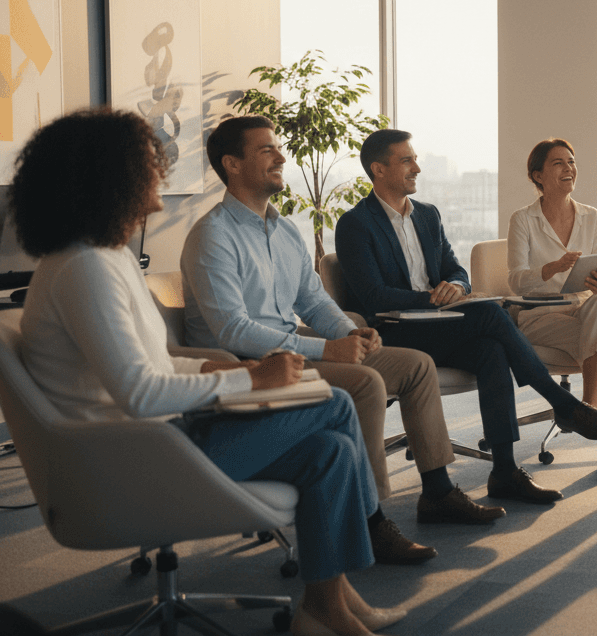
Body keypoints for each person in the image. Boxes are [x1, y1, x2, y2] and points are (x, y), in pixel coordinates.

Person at [15, 109, 404, 636]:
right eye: (151, 166)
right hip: (128, 458)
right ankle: (337, 590)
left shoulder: (105, 257)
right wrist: (250, 379)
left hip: (157, 439)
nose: (161, 176)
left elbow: (151, 359)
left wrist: (219, 367)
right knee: (333, 405)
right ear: (113, 177)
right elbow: (139, 392)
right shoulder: (84, 269)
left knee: (329, 451)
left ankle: (325, 604)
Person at [180, 116, 471, 560]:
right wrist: (327, 348)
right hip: (250, 365)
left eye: (278, 148)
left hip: (294, 348)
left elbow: (313, 302)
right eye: (266, 151)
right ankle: (370, 517)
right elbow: (233, 329)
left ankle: (437, 491)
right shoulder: (212, 236)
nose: (281, 157)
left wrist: (352, 333)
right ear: (232, 165)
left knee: (415, 364)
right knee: (365, 383)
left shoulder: (283, 230)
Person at [334, 129, 597, 502]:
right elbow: (373, 297)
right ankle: (564, 405)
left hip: (438, 323)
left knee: (491, 349)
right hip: (396, 328)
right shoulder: (355, 224)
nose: (417, 168)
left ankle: (504, 471)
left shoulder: (427, 215)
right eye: (407, 160)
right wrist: (431, 299)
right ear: (378, 169)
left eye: (415, 159)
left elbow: (455, 270)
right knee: (490, 312)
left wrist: (455, 287)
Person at [506, 138, 597, 478]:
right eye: (558, 163)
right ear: (538, 175)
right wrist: (553, 267)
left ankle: (586, 409)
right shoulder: (523, 220)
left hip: (585, 309)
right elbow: (516, 281)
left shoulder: (591, 216)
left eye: (571, 162)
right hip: (539, 315)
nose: (569, 168)